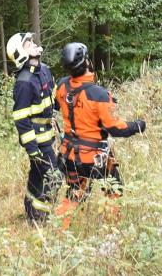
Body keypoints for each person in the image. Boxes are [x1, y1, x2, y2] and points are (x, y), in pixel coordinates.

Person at [53, 41, 146, 228]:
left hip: (69, 154)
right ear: (86, 62)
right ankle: (112, 228)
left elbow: (56, 106)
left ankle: (60, 230)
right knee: (114, 188)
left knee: (74, 192)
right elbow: (115, 128)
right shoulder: (99, 95)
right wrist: (138, 125)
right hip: (94, 158)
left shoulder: (61, 86)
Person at [7, 31, 60, 224]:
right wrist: (32, 149)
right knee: (54, 177)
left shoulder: (44, 70)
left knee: (37, 177)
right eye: (28, 44)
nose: (34, 44)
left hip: (48, 135)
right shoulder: (24, 82)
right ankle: (40, 217)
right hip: (37, 142)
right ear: (21, 53)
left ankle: (30, 211)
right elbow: (21, 119)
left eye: (32, 42)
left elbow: (54, 97)